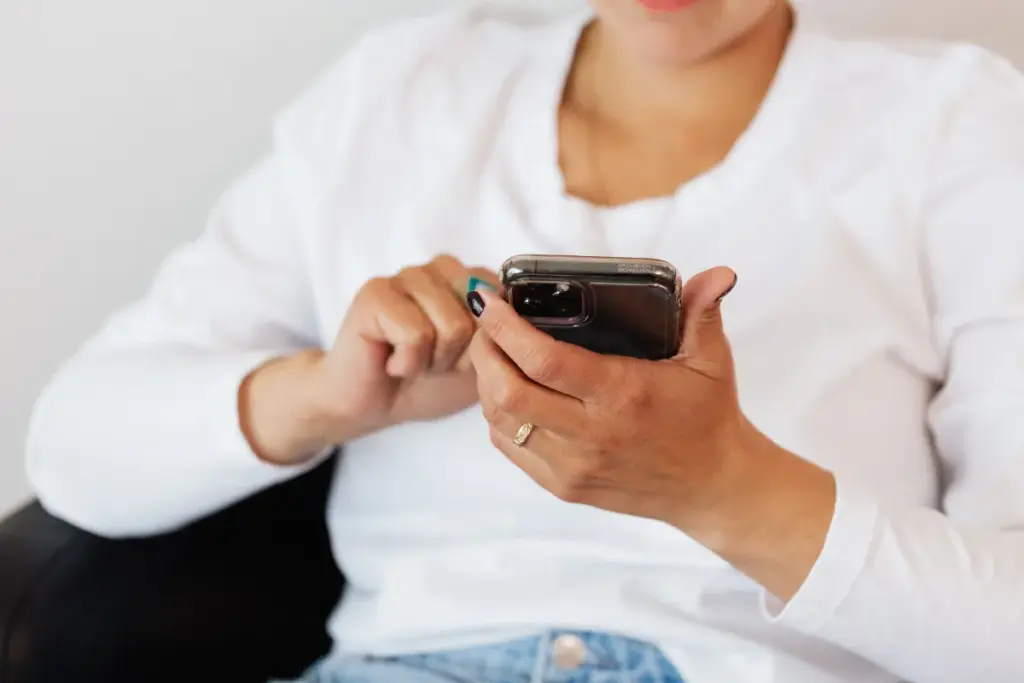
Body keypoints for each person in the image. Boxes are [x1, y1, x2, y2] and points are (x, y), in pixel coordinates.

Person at [24, 0, 1024, 681]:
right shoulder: (399, 90)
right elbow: (73, 453)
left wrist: (723, 486)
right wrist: (328, 395)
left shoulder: (956, 124)